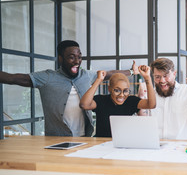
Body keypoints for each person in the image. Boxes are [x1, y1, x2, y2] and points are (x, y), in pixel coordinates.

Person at [0, 40, 138, 137]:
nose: (77, 61)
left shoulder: (86, 75)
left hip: (85, 136)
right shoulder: (47, 77)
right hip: (57, 138)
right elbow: (14, 78)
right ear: (60, 59)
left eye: (79, 57)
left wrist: (131, 72)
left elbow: (110, 74)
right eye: (71, 57)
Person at [79, 65, 156, 137]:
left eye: (125, 91)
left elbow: (151, 105)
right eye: (117, 90)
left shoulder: (131, 101)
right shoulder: (101, 100)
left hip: (124, 143)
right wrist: (98, 80)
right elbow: (84, 104)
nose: (121, 95)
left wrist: (147, 78)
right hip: (101, 144)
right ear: (109, 89)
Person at [149, 58, 187, 140]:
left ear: (174, 74)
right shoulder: (150, 95)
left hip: (183, 146)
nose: (162, 80)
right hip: (157, 146)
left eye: (165, 76)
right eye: (157, 77)